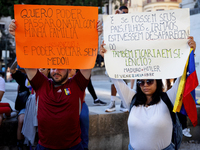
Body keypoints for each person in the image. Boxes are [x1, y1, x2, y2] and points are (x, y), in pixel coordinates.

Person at [9, 19, 102, 150]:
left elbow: (87, 61)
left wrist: (93, 36)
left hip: (73, 147)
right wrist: (18, 36)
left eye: (60, 67)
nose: (55, 71)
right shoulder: (41, 83)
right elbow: (28, 62)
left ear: (69, 69)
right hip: (44, 147)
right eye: (53, 68)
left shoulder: (77, 84)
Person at [100, 36, 196, 149]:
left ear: (158, 82)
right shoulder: (131, 99)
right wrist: (107, 57)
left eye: (149, 81)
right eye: (141, 82)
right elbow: (116, 80)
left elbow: (183, 78)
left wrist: (190, 53)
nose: (145, 85)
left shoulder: (168, 98)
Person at [106, 5, 129, 112]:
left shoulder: (129, 24)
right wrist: (115, 17)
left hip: (126, 56)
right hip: (115, 57)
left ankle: (123, 103)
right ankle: (112, 102)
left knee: (124, 81)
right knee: (114, 80)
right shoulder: (113, 22)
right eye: (123, 12)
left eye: (126, 13)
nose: (125, 15)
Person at [10, 59, 32, 150]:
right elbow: (12, 70)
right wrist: (18, 60)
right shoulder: (23, 77)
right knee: (21, 120)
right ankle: (20, 144)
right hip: (25, 106)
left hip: (40, 106)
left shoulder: (44, 77)